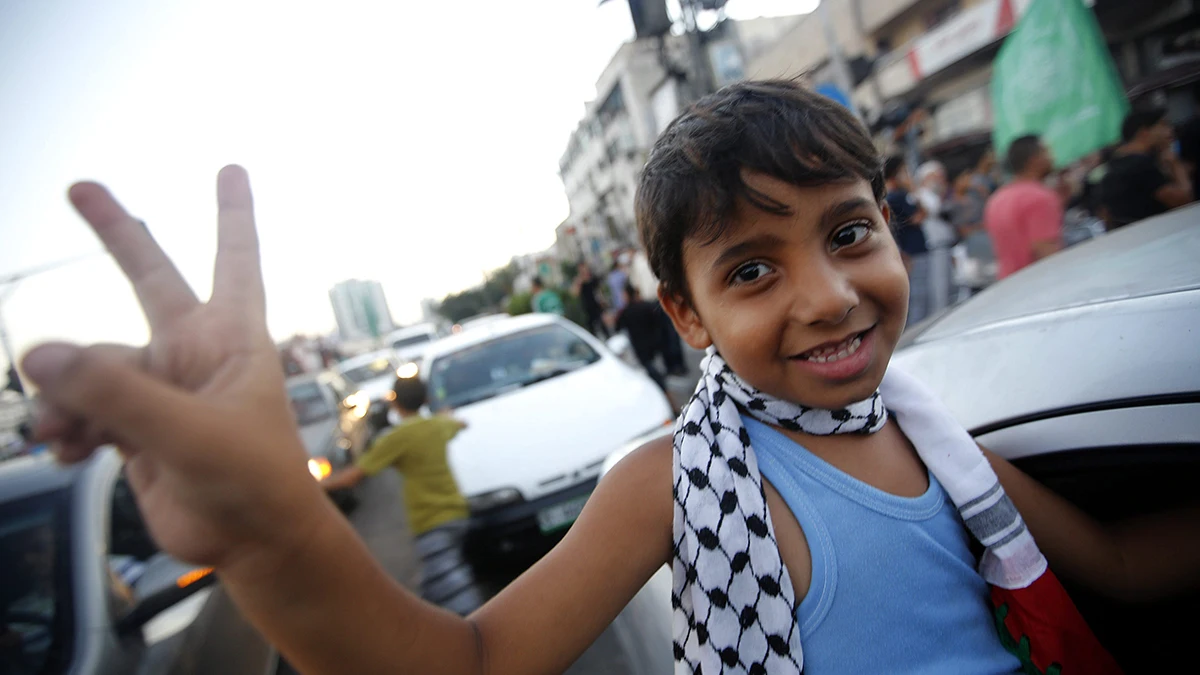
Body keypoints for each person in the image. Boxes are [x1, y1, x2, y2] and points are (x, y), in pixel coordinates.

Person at [21, 81, 1200, 674]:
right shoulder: (668, 484)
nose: (829, 294)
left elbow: (1128, 568)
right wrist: (274, 538)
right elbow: (470, 664)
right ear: (684, 315)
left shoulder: (941, 437)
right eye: (753, 267)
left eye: (849, 234)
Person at [320, 372, 482, 615]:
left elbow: (355, 475)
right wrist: (447, 417)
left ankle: (483, 641)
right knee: (433, 591)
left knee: (457, 597)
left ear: (394, 403)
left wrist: (317, 485)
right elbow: (460, 423)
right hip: (456, 512)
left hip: (432, 522)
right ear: (426, 399)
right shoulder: (436, 426)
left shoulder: (397, 438)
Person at [984, 135, 1064, 279]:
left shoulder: (996, 199)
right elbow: (1047, 254)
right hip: (1040, 287)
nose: (1052, 158)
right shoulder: (1040, 197)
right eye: (1046, 152)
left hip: (1011, 288)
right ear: (1034, 159)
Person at [1100, 108, 1194, 229]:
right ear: (1144, 132)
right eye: (1163, 125)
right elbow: (1184, 200)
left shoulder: (1114, 164)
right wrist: (1174, 162)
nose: (1170, 131)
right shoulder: (1140, 165)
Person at [615, 281, 679, 410]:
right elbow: (660, 324)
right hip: (656, 349)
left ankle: (671, 408)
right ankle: (672, 406)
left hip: (642, 354)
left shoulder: (625, 312)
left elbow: (617, 328)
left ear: (627, 295)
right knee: (660, 381)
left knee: (654, 383)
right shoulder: (647, 306)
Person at [883, 155, 931, 326]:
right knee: (918, 297)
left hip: (909, 250)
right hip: (912, 251)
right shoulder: (898, 196)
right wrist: (914, 192)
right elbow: (920, 216)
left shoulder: (892, 196)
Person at [915, 161, 957, 314]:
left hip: (946, 246)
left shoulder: (938, 195)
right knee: (938, 290)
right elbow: (933, 209)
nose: (940, 179)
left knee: (949, 289)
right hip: (935, 247)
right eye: (936, 176)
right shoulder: (922, 195)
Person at [947, 169, 995, 297]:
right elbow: (962, 229)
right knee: (972, 285)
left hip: (983, 246)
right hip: (966, 250)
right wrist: (980, 226)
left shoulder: (976, 198)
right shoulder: (953, 203)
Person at [571, 264, 608, 338]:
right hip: (587, 309)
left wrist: (603, 301)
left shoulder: (593, 279)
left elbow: (599, 291)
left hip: (597, 306)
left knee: (604, 328)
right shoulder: (579, 282)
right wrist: (578, 283)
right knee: (592, 331)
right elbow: (575, 294)